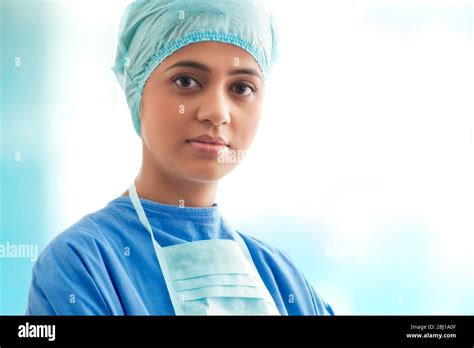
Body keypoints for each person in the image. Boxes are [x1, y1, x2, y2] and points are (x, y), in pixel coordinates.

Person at [26, 0, 334, 315]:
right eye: (187, 81)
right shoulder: (81, 265)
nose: (217, 112)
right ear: (137, 87)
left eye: (241, 87)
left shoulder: (283, 280)